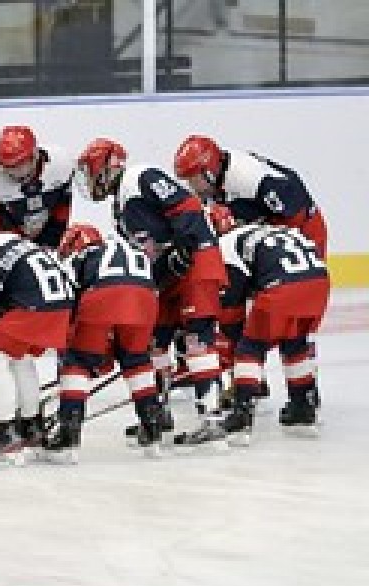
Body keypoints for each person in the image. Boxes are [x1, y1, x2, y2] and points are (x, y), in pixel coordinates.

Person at [77, 137, 229, 448]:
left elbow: (185, 205)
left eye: (92, 173)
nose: (91, 182)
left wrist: (186, 247)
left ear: (107, 168)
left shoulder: (140, 176)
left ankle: (212, 418)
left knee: (198, 338)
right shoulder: (120, 209)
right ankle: (158, 414)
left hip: (196, 260)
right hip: (168, 274)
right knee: (155, 338)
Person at [0, 196, 74, 464]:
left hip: (32, 307)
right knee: (20, 358)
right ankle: (31, 425)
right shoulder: (18, 240)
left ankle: (6, 431)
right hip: (60, 304)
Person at [208, 206, 329, 444]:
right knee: (295, 343)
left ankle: (241, 413)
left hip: (283, 287)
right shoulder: (267, 230)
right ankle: (302, 407)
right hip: (319, 283)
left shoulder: (226, 245)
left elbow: (232, 303)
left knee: (249, 348)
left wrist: (229, 340)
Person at [44, 223, 161, 460]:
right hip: (145, 301)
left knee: (78, 361)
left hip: (103, 296)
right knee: (136, 361)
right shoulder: (129, 248)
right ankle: (152, 426)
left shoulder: (84, 255)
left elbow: (71, 301)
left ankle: (69, 430)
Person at [173, 134, 327, 258]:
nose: (191, 185)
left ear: (209, 172)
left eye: (193, 179)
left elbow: (294, 208)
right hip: (279, 222)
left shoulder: (249, 178)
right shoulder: (220, 176)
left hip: (304, 227)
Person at [0, 125, 76, 249]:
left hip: (52, 223)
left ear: (34, 156)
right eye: (5, 167)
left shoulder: (61, 165)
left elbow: (62, 208)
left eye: (17, 166)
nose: (10, 172)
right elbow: (2, 231)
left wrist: (52, 243)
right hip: (14, 230)